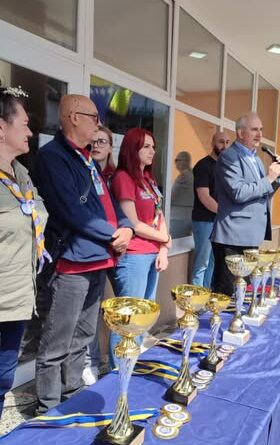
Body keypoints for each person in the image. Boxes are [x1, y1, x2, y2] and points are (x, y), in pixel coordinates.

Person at [33, 94, 134, 414]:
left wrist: (126, 227)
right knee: (58, 340)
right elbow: (72, 211)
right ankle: (48, 408)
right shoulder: (53, 157)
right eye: (94, 117)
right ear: (74, 117)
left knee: (84, 335)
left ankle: (72, 393)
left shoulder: (86, 158)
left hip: (98, 259)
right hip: (72, 264)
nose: (99, 124)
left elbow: (110, 203)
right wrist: (114, 235)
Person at [0, 86, 49, 417]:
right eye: (25, 124)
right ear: (1, 127)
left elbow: (36, 214)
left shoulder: (21, 174)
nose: (31, 132)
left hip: (16, 298)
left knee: (3, 380)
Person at [110, 127, 171, 367]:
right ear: (131, 149)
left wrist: (163, 247)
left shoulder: (148, 179)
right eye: (145, 146)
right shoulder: (123, 178)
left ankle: (132, 364)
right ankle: (118, 371)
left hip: (152, 254)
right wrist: (164, 238)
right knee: (128, 319)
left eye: (153, 146)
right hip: (134, 256)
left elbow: (159, 214)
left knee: (143, 316)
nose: (152, 151)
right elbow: (133, 223)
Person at [211, 112, 280, 296]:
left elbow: (261, 195)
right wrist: (268, 178)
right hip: (232, 237)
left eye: (261, 129)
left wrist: (275, 178)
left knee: (245, 292)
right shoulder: (229, 157)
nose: (259, 134)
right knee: (226, 294)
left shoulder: (256, 159)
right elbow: (239, 192)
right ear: (240, 133)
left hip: (250, 235)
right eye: (254, 130)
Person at [82, 125, 116, 385]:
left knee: (112, 308)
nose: (97, 145)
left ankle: (111, 359)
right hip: (93, 249)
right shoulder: (83, 172)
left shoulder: (116, 176)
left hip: (118, 250)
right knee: (90, 310)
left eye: (102, 141)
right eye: (93, 141)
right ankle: (90, 361)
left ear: (111, 147)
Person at [191, 131, 230, 288]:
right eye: (221, 142)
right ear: (213, 143)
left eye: (227, 142)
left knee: (213, 262)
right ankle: (196, 299)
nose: (224, 146)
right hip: (204, 221)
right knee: (202, 263)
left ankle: (205, 296)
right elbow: (204, 197)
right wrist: (225, 213)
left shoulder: (225, 167)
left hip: (218, 221)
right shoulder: (203, 166)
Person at [170, 150, 194, 237]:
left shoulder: (185, 176)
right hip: (185, 215)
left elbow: (172, 196)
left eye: (177, 160)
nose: (175, 163)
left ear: (185, 161)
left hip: (179, 217)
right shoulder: (190, 174)